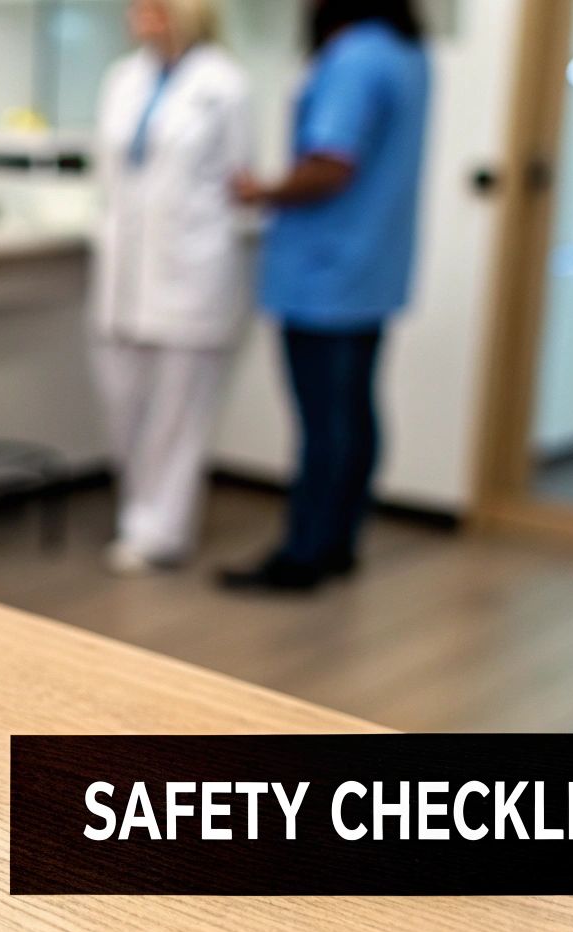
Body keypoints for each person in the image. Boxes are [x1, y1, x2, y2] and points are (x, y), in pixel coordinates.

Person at [220, 0, 429, 593]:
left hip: (326, 272)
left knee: (324, 423)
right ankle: (338, 543)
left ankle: (302, 556)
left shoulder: (353, 58)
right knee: (354, 413)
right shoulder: (406, 54)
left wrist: (261, 191)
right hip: (371, 268)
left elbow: (330, 164)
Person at [87, 0, 253, 576]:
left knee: (178, 414)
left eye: (153, 5)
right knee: (122, 400)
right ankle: (137, 511)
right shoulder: (122, 77)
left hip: (192, 267)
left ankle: (162, 530)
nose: (138, 13)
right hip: (124, 270)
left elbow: (239, 181)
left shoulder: (224, 84)